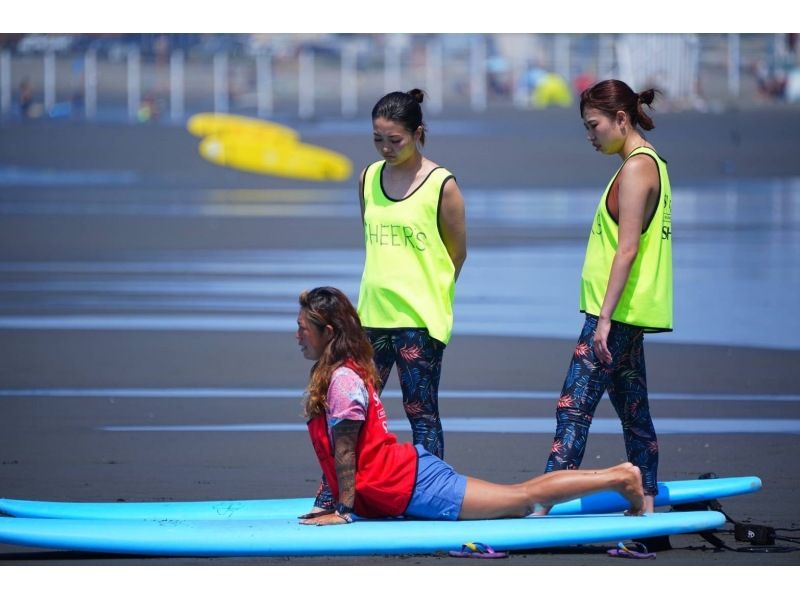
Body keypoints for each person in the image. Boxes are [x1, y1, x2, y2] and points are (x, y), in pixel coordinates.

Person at [295, 286, 645, 526]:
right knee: (518, 498)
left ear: (327, 332)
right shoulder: (339, 373)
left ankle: (619, 477)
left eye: (303, 329)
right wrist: (333, 505)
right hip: (398, 483)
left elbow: (345, 454)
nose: (297, 336)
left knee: (522, 500)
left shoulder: (342, 380)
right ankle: (615, 478)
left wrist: (342, 511)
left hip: (413, 484)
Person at [542, 80, 673, 514]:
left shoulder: (637, 167)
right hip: (629, 313)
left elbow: (628, 247)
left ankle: (543, 507)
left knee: (573, 409)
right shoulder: (646, 162)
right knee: (634, 412)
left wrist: (603, 320)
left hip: (613, 315)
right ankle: (647, 506)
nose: (590, 135)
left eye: (593, 125)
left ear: (621, 119)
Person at [357, 88, 467, 459]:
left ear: (418, 133)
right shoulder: (368, 178)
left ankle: (431, 492)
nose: (385, 147)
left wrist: (430, 292)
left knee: (421, 412)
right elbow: (374, 244)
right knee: (353, 410)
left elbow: (456, 253)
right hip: (371, 315)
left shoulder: (442, 185)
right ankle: (346, 495)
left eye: (395, 140)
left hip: (420, 319)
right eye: (377, 139)